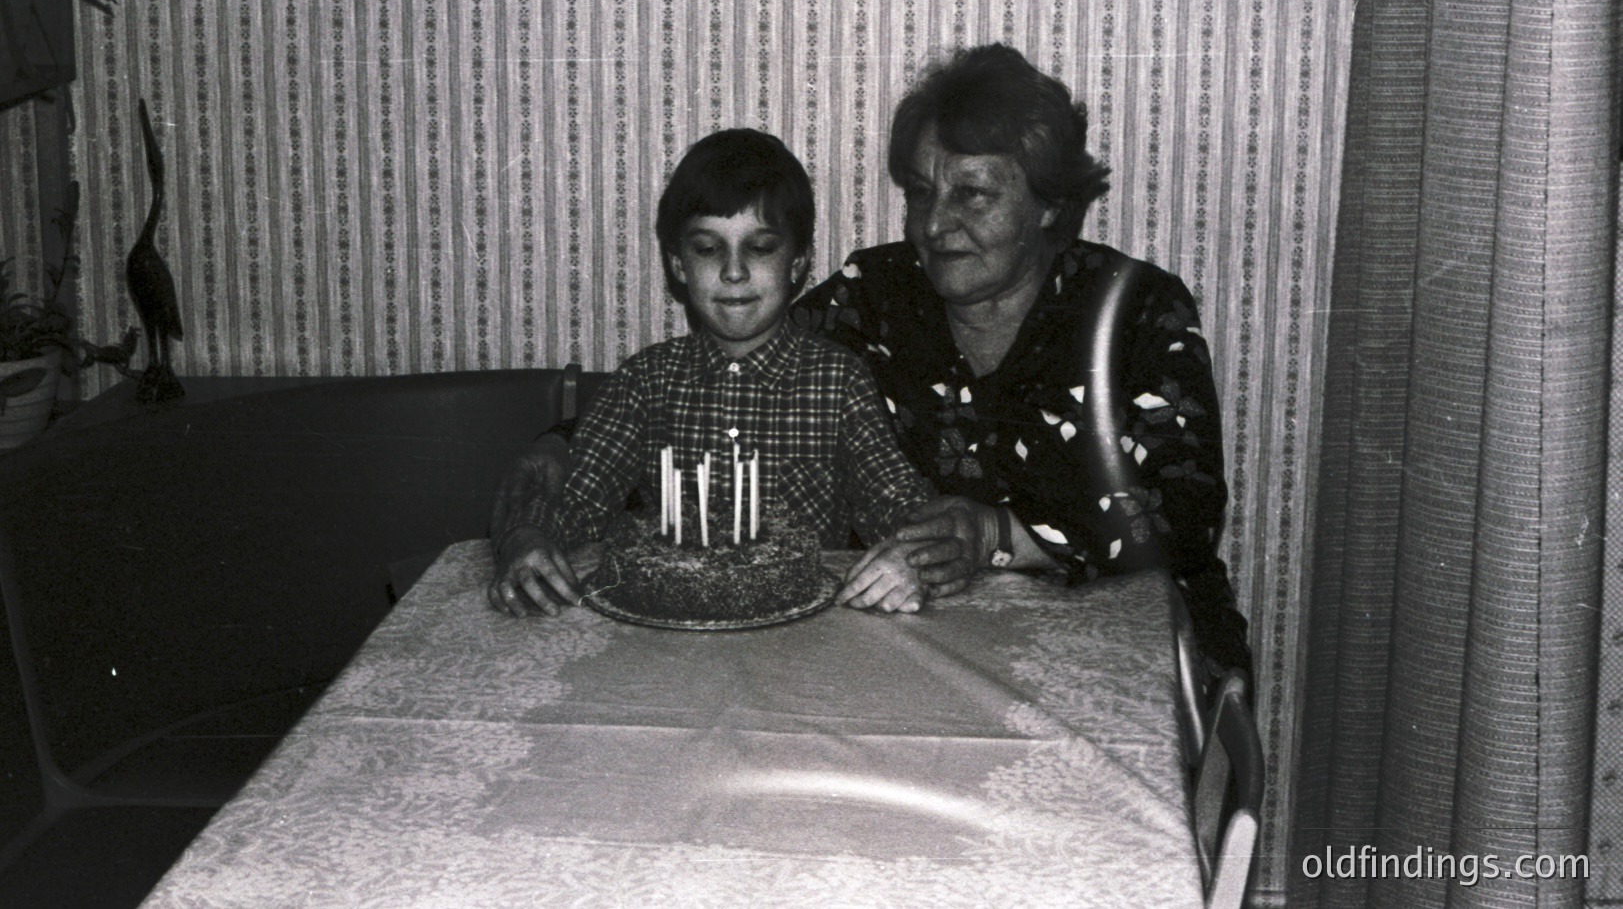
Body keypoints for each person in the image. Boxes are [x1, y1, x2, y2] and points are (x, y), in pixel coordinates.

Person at [794, 44, 1250, 674]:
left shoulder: (1137, 310)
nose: (935, 224)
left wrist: (995, 537)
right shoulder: (867, 297)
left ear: (1050, 204)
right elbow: (748, 389)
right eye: (922, 193)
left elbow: (1183, 513)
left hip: (1118, 654)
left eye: (973, 194)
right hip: (915, 654)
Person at [486, 128, 945, 617]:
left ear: (799, 262)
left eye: (761, 247)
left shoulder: (839, 382)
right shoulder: (645, 382)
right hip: (669, 637)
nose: (733, 272)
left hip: (803, 641)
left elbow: (899, 506)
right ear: (677, 264)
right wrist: (526, 537)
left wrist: (912, 555)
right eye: (708, 249)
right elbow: (575, 500)